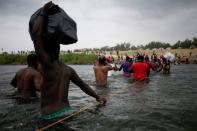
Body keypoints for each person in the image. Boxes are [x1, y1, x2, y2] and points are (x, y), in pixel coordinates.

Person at [30, 2, 106, 128]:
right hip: (67, 113)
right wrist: (98, 97)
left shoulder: (47, 65)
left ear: (46, 50)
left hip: (49, 116)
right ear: (58, 49)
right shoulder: (68, 70)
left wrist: (43, 12)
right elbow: (84, 86)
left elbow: (37, 36)